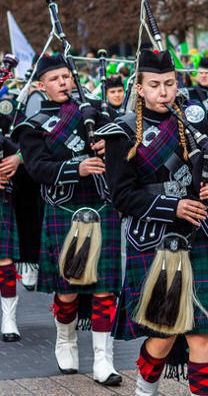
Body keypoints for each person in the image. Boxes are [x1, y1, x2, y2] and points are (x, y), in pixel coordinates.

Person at [97, 49, 208, 396]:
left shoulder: (197, 124)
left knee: (201, 331)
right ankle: (145, 388)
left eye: (169, 83)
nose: (164, 92)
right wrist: (173, 206)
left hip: (199, 234)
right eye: (154, 85)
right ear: (139, 88)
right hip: (153, 239)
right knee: (164, 332)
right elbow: (121, 197)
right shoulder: (121, 133)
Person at [13, 54, 122, 385]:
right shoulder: (32, 126)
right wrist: (77, 168)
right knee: (68, 290)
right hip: (65, 210)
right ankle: (66, 340)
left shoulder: (95, 112)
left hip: (101, 206)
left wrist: (108, 143)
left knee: (105, 289)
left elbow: (123, 148)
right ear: (40, 85)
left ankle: (105, 360)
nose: (63, 82)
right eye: (55, 78)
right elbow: (37, 169)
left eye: (66, 77)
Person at [0, 83, 23, 343]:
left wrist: (18, 159)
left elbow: (26, 146)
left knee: (4, 260)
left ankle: (9, 319)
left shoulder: (5, 116)